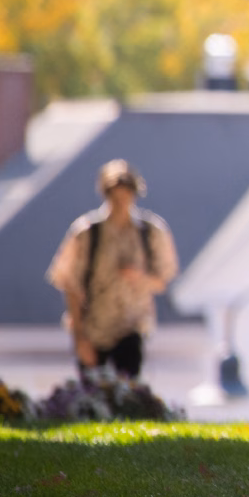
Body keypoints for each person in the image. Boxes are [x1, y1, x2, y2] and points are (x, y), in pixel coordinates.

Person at [44, 160, 179, 381]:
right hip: (94, 327)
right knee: (93, 397)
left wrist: (140, 278)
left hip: (131, 326)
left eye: (126, 197)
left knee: (128, 394)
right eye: (115, 198)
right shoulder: (87, 232)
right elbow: (69, 283)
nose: (121, 204)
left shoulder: (150, 232)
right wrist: (80, 338)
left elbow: (163, 279)